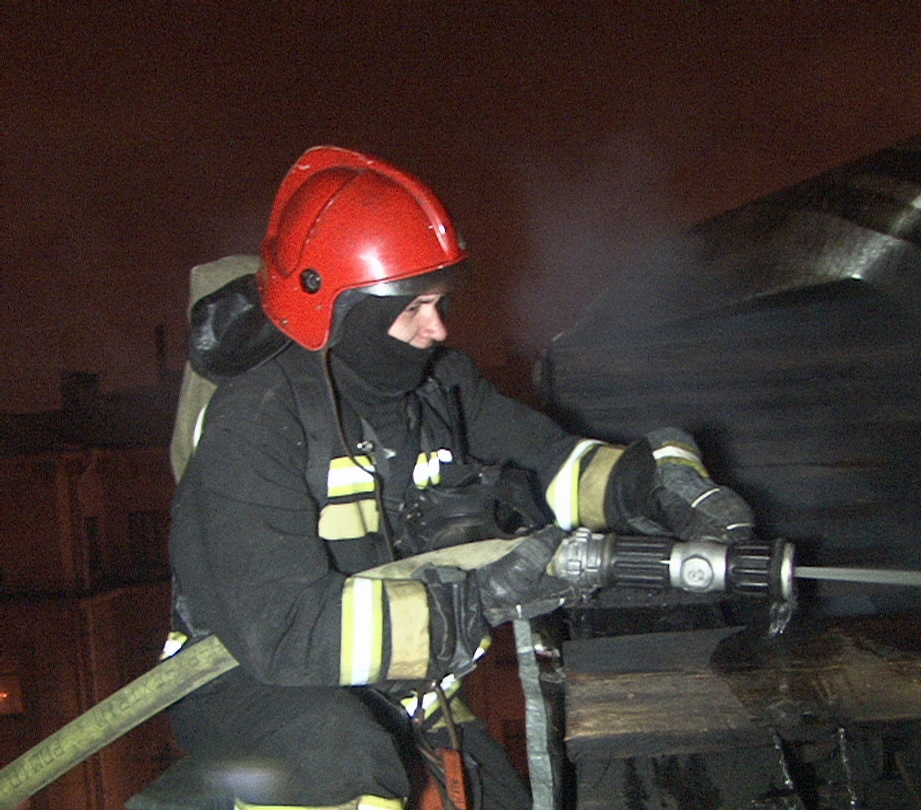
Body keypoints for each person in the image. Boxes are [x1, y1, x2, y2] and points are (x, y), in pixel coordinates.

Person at [166, 146, 755, 810]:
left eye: (442, 302)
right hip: (253, 681)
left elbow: (553, 464)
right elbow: (281, 629)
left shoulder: (439, 386)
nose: (437, 327)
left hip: (407, 685)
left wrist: (658, 482)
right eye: (412, 306)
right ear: (340, 307)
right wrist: (476, 600)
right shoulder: (257, 420)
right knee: (340, 760)